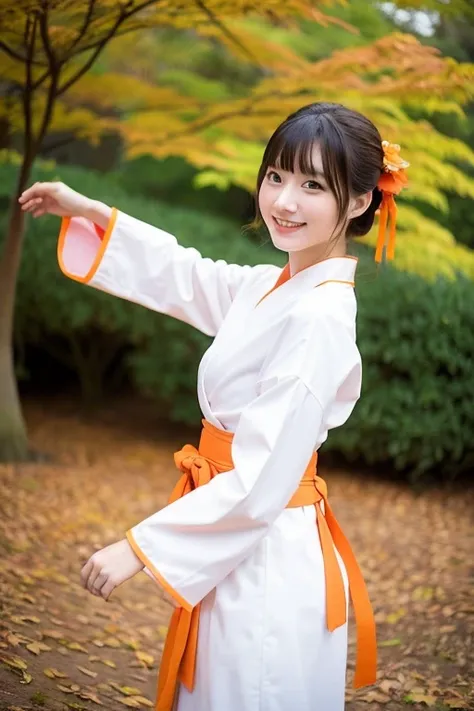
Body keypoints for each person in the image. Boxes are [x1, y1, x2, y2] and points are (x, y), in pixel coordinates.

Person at [19, 102, 409, 711]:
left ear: (359, 202)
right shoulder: (273, 286)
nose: (283, 200)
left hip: (264, 556)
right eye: (276, 176)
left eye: (312, 185)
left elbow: (259, 483)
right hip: (241, 538)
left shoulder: (319, 319)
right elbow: (188, 276)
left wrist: (139, 548)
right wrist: (94, 212)